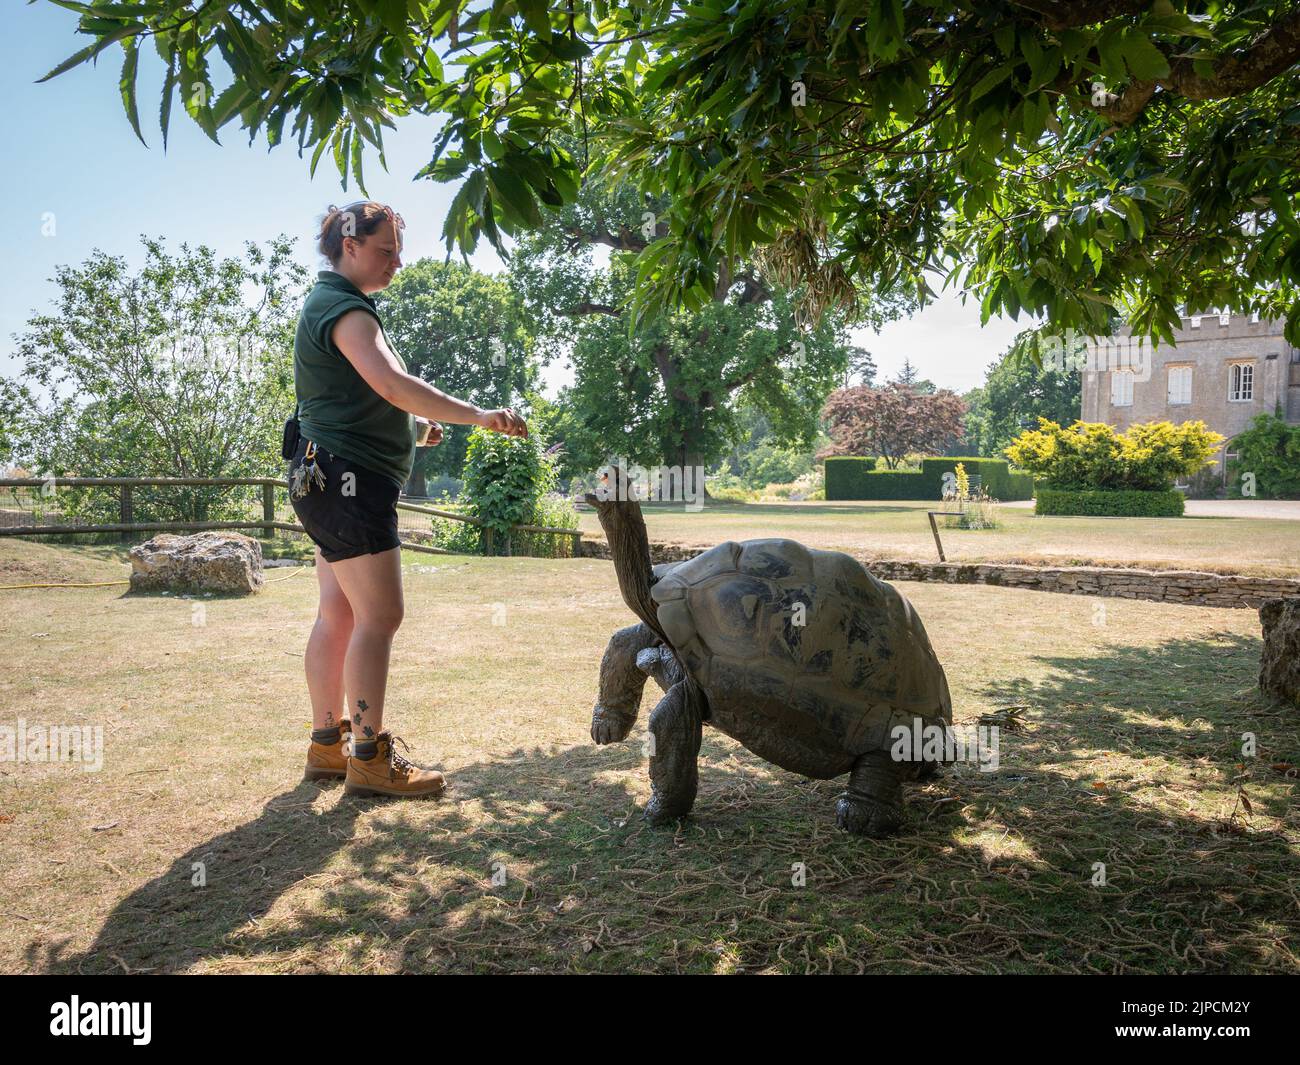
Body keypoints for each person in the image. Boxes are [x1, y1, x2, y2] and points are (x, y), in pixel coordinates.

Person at [291, 200, 527, 797]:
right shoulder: (347, 311)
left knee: (338, 613)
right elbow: (393, 384)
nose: (398, 262)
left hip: (322, 480)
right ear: (350, 246)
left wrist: (412, 428)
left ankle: (328, 745)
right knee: (380, 616)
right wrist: (478, 415)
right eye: (385, 251)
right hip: (350, 485)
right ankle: (368, 756)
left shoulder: (332, 306)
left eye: (398, 250)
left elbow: (360, 397)